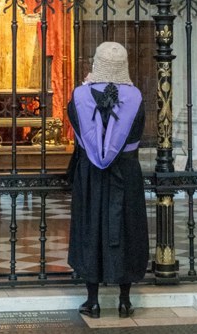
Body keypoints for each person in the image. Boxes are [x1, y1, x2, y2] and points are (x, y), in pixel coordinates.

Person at [67, 42, 149, 319]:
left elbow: (78, 127)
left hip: (90, 172)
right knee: (127, 228)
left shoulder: (80, 96)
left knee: (90, 228)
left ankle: (92, 301)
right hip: (126, 172)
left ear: (95, 65)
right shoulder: (135, 97)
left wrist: (86, 86)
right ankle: (125, 301)